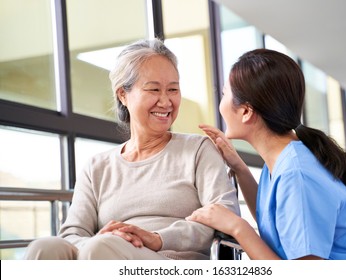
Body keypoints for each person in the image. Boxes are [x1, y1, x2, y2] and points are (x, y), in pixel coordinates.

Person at [24, 38, 239, 260]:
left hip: (172, 262)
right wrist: (99, 241)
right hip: (105, 253)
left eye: (173, 89)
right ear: (123, 95)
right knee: (44, 248)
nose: (165, 101)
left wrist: (157, 238)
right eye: (154, 89)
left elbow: (225, 216)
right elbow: (72, 233)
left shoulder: (198, 149)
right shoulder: (98, 167)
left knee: (101, 248)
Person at [186, 48, 346, 260]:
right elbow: (272, 221)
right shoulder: (286, 160)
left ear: (246, 112)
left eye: (224, 94)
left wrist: (237, 227)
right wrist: (239, 168)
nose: (221, 104)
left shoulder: (296, 174)